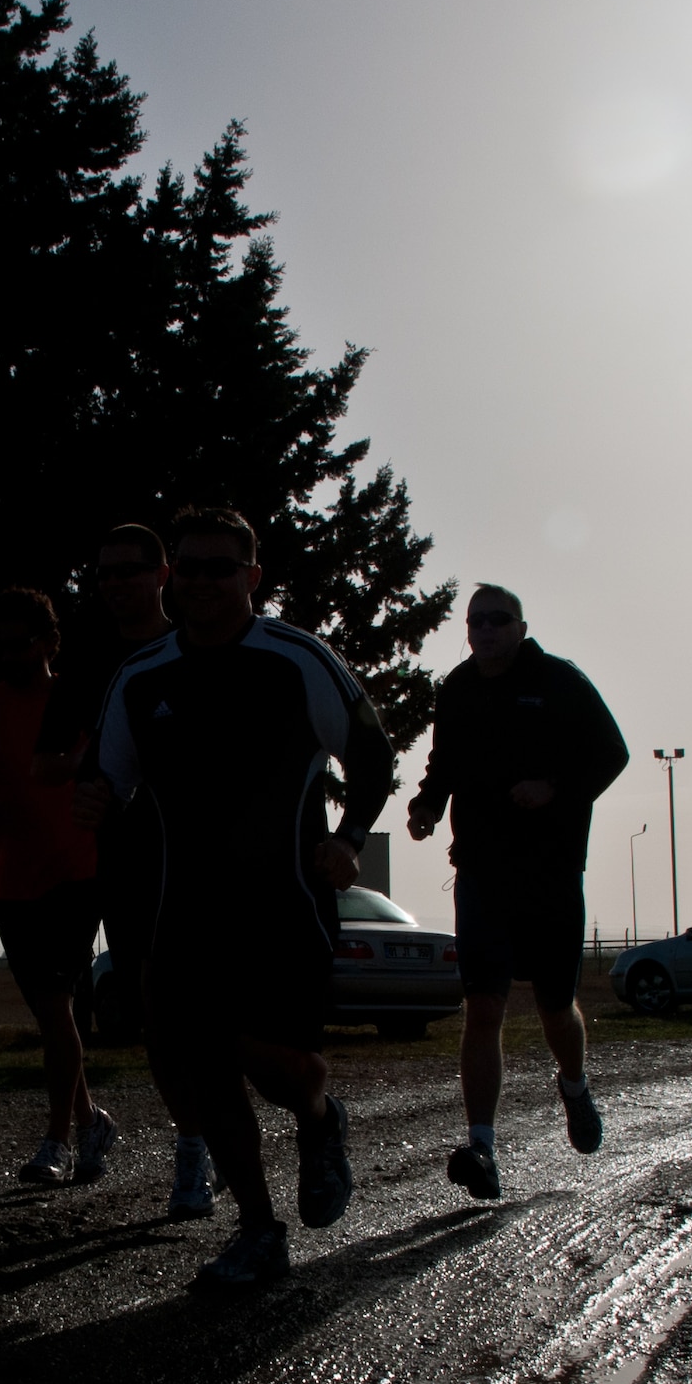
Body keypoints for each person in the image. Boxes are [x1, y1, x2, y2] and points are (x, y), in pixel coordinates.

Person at [96, 505, 395, 1286]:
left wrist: (351, 838)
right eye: (187, 566)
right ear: (173, 576)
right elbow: (111, 780)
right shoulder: (141, 677)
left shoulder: (293, 658)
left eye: (218, 567)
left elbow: (372, 752)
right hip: (187, 907)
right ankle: (259, 1231)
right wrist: (93, 800)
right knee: (203, 1056)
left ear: (252, 576)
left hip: (285, 905)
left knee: (273, 1067)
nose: (200, 580)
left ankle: (322, 1114)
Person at [407, 583, 627, 1199]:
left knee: (556, 1005)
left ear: (521, 627)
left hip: (551, 870)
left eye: (498, 620)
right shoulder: (456, 688)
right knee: (484, 1006)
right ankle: (482, 1145)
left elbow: (612, 753)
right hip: (480, 869)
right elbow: (443, 762)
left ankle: (575, 1085)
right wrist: (426, 804)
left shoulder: (559, 681)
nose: (486, 630)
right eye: (476, 621)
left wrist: (555, 787)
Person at [35, 522, 219, 1221]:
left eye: (128, 571)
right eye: (103, 574)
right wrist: (100, 767)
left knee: (223, 1017)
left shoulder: (203, 643)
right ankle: (195, 1151)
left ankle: (261, 1124)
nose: (114, 585)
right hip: (133, 859)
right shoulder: (91, 662)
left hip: (217, 857)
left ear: (163, 573)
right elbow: (46, 762)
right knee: (159, 1011)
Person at [0, 586, 115, 1185]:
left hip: (78, 873)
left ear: (47, 643)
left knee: (53, 1003)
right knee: (52, 1018)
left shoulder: (79, 702)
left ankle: (56, 1142)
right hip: (12, 884)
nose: (2, 657)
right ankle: (92, 1119)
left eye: (14, 646)